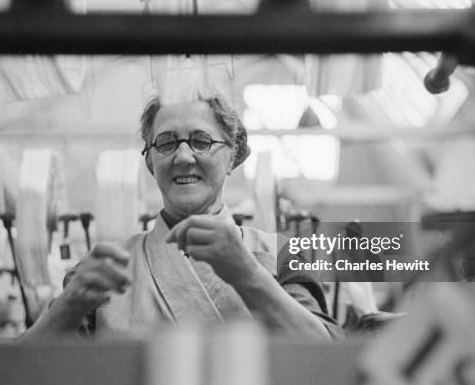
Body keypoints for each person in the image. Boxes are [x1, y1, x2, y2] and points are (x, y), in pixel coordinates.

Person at [21, 94, 342, 341]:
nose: (184, 156)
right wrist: (69, 305)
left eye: (202, 141)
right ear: (150, 162)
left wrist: (248, 274)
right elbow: (10, 372)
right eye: (166, 142)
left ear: (232, 156)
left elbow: (325, 358)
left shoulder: (279, 254)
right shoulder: (106, 270)